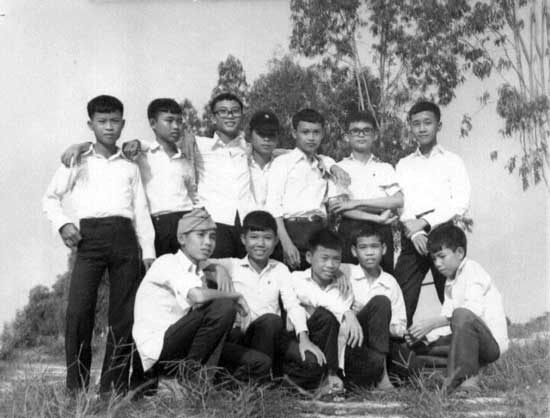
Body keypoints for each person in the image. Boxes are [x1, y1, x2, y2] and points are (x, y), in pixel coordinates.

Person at [42, 95, 155, 395]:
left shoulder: (130, 166)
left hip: (125, 239)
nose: (108, 127)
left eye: (114, 121)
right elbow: (50, 198)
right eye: (102, 121)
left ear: (123, 124)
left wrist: (149, 252)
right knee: (79, 312)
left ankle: (112, 390)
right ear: (90, 124)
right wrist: (63, 224)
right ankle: (75, 389)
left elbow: (141, 210)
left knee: (124, 316)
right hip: (89, 239)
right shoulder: (78, 159)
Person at [132, 208, 255, 393]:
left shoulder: (198, 269)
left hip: (180, 341)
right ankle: (186, 379)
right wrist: (235, 295)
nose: (208, 242)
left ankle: (200, 385)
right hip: (158, 348)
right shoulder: (167, 262)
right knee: (223, 306)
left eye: (212, 237)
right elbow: (197, 296)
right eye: (201, 235)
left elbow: (210, 266)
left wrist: (218, 268)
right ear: (182, 238)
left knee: (258, 362)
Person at [60, 98, 197, 257]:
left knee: (193, 269)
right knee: (159, 269)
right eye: (169, 121)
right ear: (153, 123)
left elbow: (193, 193)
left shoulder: (185, 159)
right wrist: (81, 146)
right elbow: (109, 148)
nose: (176, 126)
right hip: (158, 225)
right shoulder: (140, 153)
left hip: (188, 222)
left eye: (179, 121)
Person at [209, 210, 325, 380]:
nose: (260, 244)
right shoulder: (232, 265)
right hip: (242, 338)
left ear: (276, 241)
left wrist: (304, 338)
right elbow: (199, 261)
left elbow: (292, 305)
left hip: (272, 336)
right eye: (254, 237)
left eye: (267, 238)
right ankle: (258, 381)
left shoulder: (280, 269)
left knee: (312, 363)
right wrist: (218, 269)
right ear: (243, 239)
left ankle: (271, 379)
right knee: (270, 320)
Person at [394, 100, 471, 324]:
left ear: (439, 125)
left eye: (427, 122)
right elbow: (401, 204)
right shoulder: (404, 164)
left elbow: (460, 202)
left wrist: (426, 222)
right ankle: (400, 346)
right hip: (413, 236)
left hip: (444, 233)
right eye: (416, 124)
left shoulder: (452, 161)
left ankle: (465, 342)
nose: (422, 128)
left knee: (454, 296)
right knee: (400, 298)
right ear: (410, 127)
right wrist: (415, 232)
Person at [406, 224, 508, 392]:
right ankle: (454, 371)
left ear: (459, 253)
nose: (437, 264)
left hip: (490, 345)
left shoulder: (472, 269)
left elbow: (471, 312)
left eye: (442, 256)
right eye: (434, 259)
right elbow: (446, 321)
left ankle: (467, 381)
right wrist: (423, 336)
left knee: (461, 315)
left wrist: (433, 323)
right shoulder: (450, 282)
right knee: (418, 351)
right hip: (466, 343)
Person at [265, 108, 349, 271]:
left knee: (319, 282)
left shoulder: (324, 163)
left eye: (316, 132)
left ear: (322, 134)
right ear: (294, 133)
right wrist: (286, 243)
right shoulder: (283, 162)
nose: (311, 138)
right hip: (292, 231)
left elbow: (332, 200)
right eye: (305, 132)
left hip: (318, 230)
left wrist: (334, 167)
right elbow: (273, 206)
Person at [330, 111, 403, 274]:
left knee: (384, 279)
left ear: (375, 135)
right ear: (347, 136)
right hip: (350, 228)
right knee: (348, 280)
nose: (361, 135)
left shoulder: (384, 168)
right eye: (355, 131)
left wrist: (356, 203)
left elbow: (398, 201)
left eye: (366, 130)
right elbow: (339, 207)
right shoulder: (339, 168)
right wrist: (377, 210)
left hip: (381, 229)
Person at [287, 229, 355, 394]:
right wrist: (346, 312)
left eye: (336, 259)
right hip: (299, 340)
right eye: (324, 258)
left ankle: (330, 375)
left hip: (329, 347)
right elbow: (307, 298)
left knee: (328, 318)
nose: (330, 265)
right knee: (325, 316)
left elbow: (340, 331)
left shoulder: (344, 288)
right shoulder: (296, 278)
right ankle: (324, 378)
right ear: (309, 257)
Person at [339, 226, 407, 389]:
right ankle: (382, 379)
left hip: (380, 346)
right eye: (363, 247)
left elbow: (400, 328)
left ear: (384, 249)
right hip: (352, 344)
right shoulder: (346, 273)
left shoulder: (390, 282)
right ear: (354, 251)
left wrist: (375, 318)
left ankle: (376, 375)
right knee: (380, 301)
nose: (369, 253)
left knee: (414, 368)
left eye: (374, 247)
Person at [247, 111, 280, 210]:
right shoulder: (240, 165)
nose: (266, 139)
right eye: (261, 134)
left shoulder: (283, 166)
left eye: (271, 134)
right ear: (250, 135)